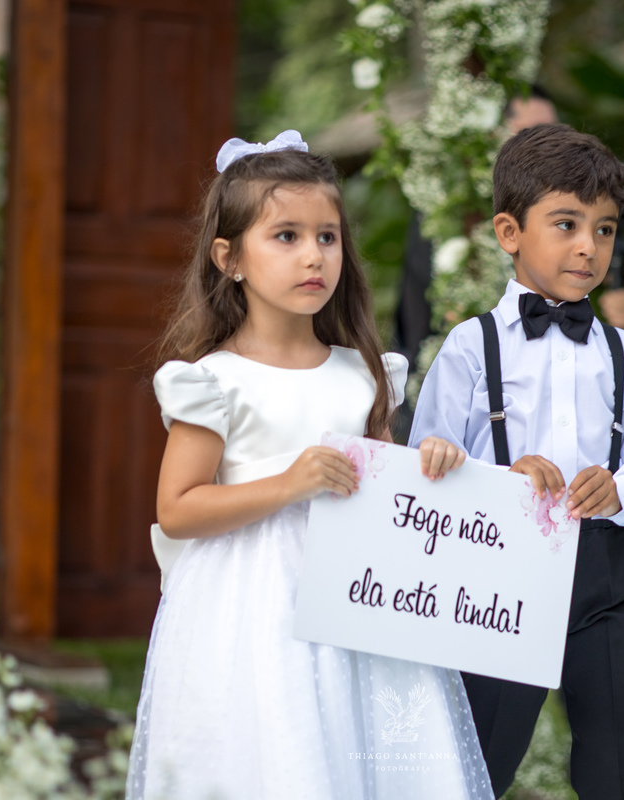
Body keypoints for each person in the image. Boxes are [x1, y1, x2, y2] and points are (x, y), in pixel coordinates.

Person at [126, 131, 494, 800]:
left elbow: (385, 489)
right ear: (229, 258)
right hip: (249, 601)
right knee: (277, 742)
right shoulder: (215, 381)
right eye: (286, 236)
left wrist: (429, 463)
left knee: (359, 739)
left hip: (355, 592)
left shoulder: (363, 374)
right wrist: (288, 484)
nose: (313, 255)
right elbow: (177, 509)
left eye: (327, 237)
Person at [407, 124, 624, 799]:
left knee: (616, 755)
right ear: (509, 232)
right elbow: (428, 460)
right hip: (500, 574)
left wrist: (620, 487)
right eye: (566, 224)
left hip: (604, 576)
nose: (588, 246)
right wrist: (499, 481)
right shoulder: (471, 348)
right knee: (484, 751)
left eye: (604, 229)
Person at [393, 89, 624, 376]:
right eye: (528, 132)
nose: (544, 145)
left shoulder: (573, 216)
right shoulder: (449, 212)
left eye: (552, 133)